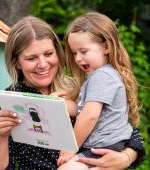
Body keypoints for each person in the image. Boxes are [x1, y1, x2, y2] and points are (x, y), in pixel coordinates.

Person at [0, 16, 145, 170]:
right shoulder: (5, 103)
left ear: (58, 53)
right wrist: (1, 136)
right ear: (16, 62)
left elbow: (124, 128)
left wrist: (126, 158)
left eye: (48, 54)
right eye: (31, 58)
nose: (43, 64)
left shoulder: (77, 87)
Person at [57, 11, 142, 170]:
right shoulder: (103, 76)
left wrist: (70, 147)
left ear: (106, 47)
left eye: (83, 51)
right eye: (74, 53)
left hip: (103, 148)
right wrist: (59, 103)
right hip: (107, 146)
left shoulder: (102, 76)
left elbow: (90, 115)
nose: (77, 58)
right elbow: (83, 110)